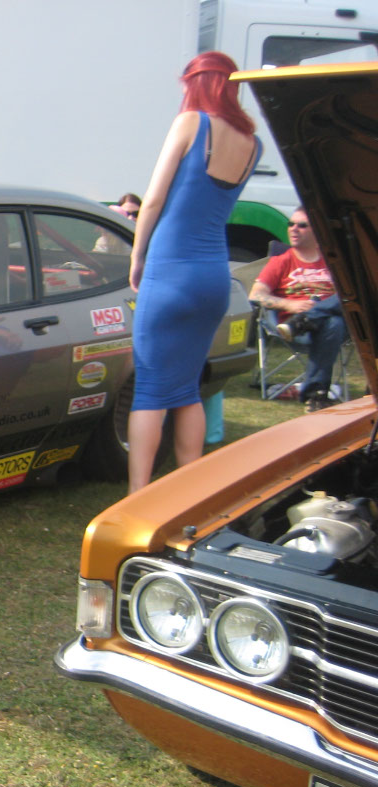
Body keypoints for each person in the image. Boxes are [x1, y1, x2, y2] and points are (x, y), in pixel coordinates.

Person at [126, 51, 261, 493]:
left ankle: (138, 495)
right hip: (213, 276)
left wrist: (136, 256)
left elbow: (154, 199)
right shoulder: (252, 141)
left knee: (149, 389)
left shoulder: (191, 123)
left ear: (194, 82)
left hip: (170, 269)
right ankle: (187, 493)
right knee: (186, 388)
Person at [249, 207, 349, 412]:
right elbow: (255, 295)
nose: (294, 229)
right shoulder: (281, 261)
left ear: (317, 230)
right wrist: (290, 304)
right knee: (334, 324)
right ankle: (316, 395)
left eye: (302, 225)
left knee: (349, 293)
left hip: (309, 325)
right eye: (291, 224)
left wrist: (316, 309)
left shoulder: (334, 260)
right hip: (296, 329)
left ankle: (307, 318)